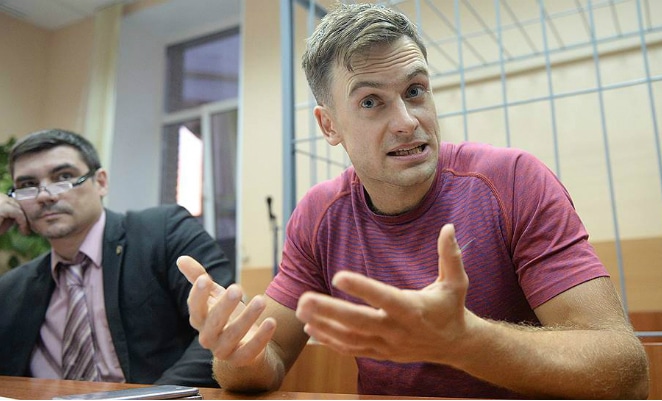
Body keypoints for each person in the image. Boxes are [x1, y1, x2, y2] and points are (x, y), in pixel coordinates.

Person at [177, 2, 649, 398]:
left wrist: (467, 341)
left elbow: (626, 372)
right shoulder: (319, 215)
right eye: (371, 101)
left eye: (415, 91)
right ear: (329, 126)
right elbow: (270, 357)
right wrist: (237, 353)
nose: (407, 121)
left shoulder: (514, 182)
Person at [0, 129, 234, 387]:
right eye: (27, 185)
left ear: (100, 182)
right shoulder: (12, 288)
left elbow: (225, 325)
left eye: (64, 177)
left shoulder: (163, 232)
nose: (45, 195)